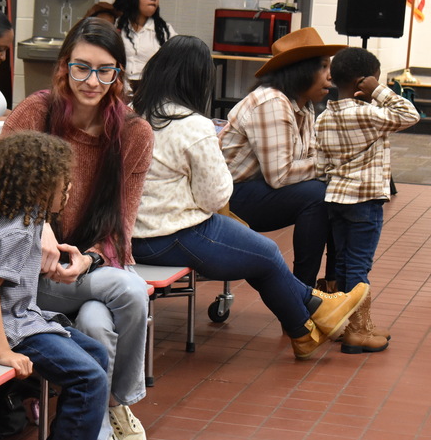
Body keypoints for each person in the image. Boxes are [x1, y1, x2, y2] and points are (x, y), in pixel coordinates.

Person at [0, 17, 153, 440]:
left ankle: (103, 418)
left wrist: (87, 259)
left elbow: (120, 231)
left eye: (105, 70)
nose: (92, 80)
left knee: (96, 318)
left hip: (87, 270)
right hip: (31, 278)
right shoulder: (38, 111)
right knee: (129, 291)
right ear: (64, 67)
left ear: (119, 76)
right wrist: (37, 222)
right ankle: (109, 415)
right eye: (81, 67)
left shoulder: (132, 132)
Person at [131, 35, 370, 359]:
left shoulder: (132, 113)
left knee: (261, 255)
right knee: (267, 253)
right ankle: (316, 306)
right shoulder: (194, 125)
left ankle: (304, 331)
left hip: (136, 232)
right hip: (172, 232)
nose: (330, 76)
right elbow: (216, 197)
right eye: (323, 67)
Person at [0, 131, 110, 440]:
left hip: (20, 321)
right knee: (89, 378)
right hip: (6, 332)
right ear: (37, 186)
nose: (68, 190)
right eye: (62, 183)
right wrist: (3, 352)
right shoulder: (17, 230)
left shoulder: (25, 220)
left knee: (96, 355)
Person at [219, 27, 347, 287]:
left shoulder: (303, 105)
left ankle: (334, 284)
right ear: (301, 70)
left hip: (254, 189)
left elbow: (311, 156)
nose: (330, 76)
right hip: (227, 199)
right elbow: (281, 175)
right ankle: (302, 293)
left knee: (338, 190)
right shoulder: (271, 102)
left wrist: (333, 169)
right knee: (317, 195)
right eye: (323, 67)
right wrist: (330, 164)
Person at [316, 47, 419, 354]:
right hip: (365, 202)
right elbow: (410, 114)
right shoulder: (369, 113)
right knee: (360, 266)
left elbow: (321, 166)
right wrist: (380, 91)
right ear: (366, 80)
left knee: (345, 261)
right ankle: (358, 331)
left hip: (335, 199)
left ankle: (345, 322)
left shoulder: (324, 117)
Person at [112, 0, 176, 90]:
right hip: (121, 94)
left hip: (152, 94)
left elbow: (178, 61)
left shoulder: (166, 31)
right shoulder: (117, 27)